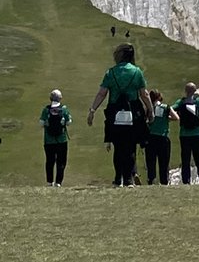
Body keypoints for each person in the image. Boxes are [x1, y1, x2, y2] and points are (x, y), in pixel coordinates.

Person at [87, 43, 152, 187]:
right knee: (130, 147)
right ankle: (128, 179)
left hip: (114, 111)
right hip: (133, 112)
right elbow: (144, 94)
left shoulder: (111, 73)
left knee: (118, 146)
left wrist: (92, 110)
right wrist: (150, 110)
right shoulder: (137, 72)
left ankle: (118, 178)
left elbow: (102, 93)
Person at [174, 82, 199, 184]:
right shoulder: (198, 102)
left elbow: (171, 108)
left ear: (185, 91)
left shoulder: (181, 102)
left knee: (185, 159)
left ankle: (186, 182)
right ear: (195, 91)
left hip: (184, 135)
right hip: (197, 135)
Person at [144, 90, 179, 185]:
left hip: (151, 137)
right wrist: (167, 118)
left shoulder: (149, 108)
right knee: (164, 161)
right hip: (163, 137)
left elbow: (145, 120)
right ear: (159, 97)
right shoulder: (166, 107)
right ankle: (164, 181)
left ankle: (151, 180)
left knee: (151, 161)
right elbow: (176, 117)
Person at [40, 88, 72, 186]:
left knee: (49, 161)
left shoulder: (46, 110)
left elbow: (41, 123)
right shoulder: (64, 109)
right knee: (61, 161)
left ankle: (50, 181)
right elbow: (69, 122)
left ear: (50, 98)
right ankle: (58, 182)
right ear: (60, 98)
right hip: (61, 139)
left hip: (49, 140)